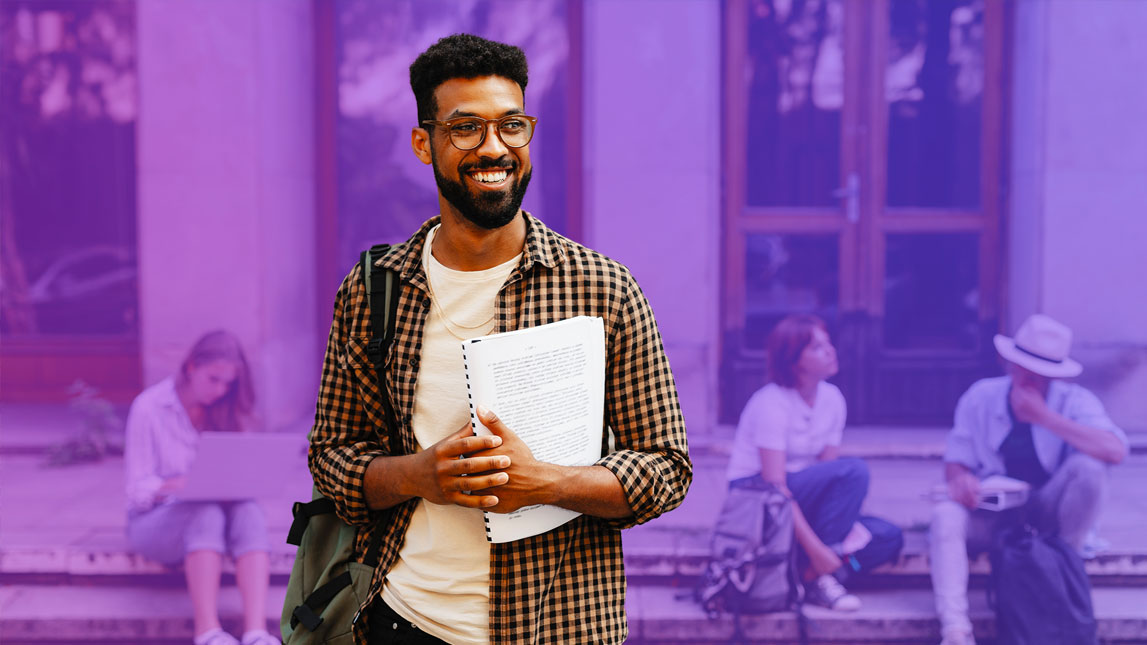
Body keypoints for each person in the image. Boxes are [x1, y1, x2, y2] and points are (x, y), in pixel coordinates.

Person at [307, 34, 691, 645]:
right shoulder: (374, 289)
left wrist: (547, 484)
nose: (495, 148)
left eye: (512, 125)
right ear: (422, 142)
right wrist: (417, 475)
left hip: (559, 628)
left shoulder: (603, 289)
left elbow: (667, 469)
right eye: (465, 129)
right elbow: (330, 456)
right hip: (405, 621)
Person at [929, 313, 1129, 645]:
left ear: (1054, 377)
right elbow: (955, 461)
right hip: (992, 512)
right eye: (1023, 369)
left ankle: (1060, 573)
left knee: (1090, 469)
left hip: (1049, 515)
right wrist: (961, 480)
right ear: (1011, 364)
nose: (1030, 379)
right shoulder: (981, 397)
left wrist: (1046, 418)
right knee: (944, 515)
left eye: (1041, 375)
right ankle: (955, 629)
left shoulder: (1074, 401)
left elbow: (1115, 450)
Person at [726, 314, 903, 612]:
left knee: (888, 537)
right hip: (759, 500)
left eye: (828, 343)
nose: (831, 351)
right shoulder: (771, 403)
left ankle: (808, 574)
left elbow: (827, 479)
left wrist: (824, 546)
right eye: (818, 347)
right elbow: (775, 487)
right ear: (795, 361)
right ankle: (821, 572)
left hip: (800, 498)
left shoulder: (833, 400)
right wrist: (816, 548)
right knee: (854, 471)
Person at [124, 330, 276, 645]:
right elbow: (137, 491)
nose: (220, 390)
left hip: (219, 514)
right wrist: (178, 486)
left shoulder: (226, 410)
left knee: (248, 511)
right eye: (214, 379)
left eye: (228, 383)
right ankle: (206, 631)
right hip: (154, 521)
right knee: (204, 512)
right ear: (191, 366)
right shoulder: (150, 407)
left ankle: (256, 632)